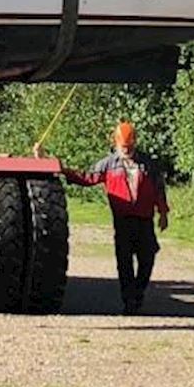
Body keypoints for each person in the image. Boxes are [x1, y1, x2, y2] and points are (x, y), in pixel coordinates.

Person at [48, 120, 169, 314]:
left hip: (145, 220)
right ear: (116, 144)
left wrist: (163, 213)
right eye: (123, 147)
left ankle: (138, 292)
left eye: (130, 147)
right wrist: (63, 170)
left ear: (135, 143)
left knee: (148, 258)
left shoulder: (149, 165)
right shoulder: (108, 164)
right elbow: (87, 177)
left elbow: (159, 189)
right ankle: (129, 301)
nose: (127, 150)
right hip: (122, 221)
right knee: (125, 262)